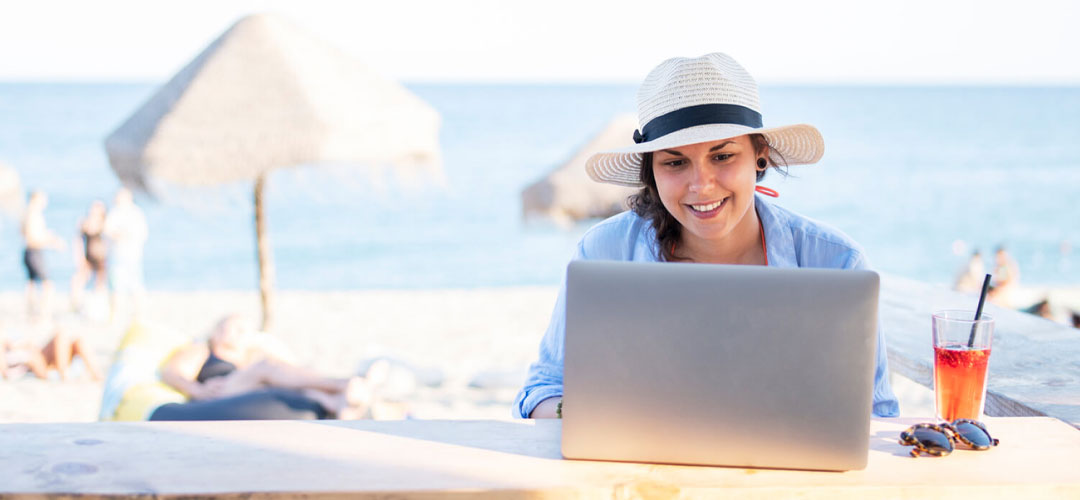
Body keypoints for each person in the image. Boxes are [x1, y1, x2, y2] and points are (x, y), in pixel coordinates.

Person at [515, 53, 900, 419]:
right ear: (652, 172)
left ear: (759, 155)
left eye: (722, 156)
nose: (701, 185)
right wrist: (594, 414)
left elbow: (877, 415)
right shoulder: (603, 252)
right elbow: (541, 391)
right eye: (675, 162)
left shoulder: (837, 265)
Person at [151, 315, 387, 420]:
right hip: (221, 393)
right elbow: (171, 372)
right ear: (216, 331)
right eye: (232, 327)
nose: (238, 333)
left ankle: (338, 403)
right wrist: (198, 390)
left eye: (244, 330)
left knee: (286, 379)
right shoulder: (204, 349)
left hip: (250, 393)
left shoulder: (249, 354)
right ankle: (345, 383)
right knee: (266, 369)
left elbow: (291, 370)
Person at [104, 187, 148, 320]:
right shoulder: (115, 212)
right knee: (116, 285)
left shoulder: (135, 213)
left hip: (132, 255)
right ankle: (115, 312)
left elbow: (142, 234)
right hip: (117, 255)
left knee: (135, 284)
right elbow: (107, 231)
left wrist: (124, 234)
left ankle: (139, 312)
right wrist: (119, 235)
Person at [20, 190, 65, 320]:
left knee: (31, 283)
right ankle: (43, 314)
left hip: (29, 251)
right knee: (47, 285)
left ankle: (30, 312)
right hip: (34, 251)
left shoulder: (27, 214)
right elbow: (32, 237)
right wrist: (52, 242)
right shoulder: (32, 215)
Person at [1, 327, 102, 381]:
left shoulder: (7, 339)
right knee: (60, 335)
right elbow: (6, 371)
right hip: (39, 365)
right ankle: (64, 376)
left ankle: (97, 376)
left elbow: (30, 345)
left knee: (78, 341)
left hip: (42, 356)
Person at [70, 200, 109, 313]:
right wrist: (80, 258)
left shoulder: (104, 223)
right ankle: (76, 306)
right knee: (78, 280)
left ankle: (99, 308)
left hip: (101, 257)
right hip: (88, 256)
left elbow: (108, 241)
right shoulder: (84, 223)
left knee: (100, 284)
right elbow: (78, 241)